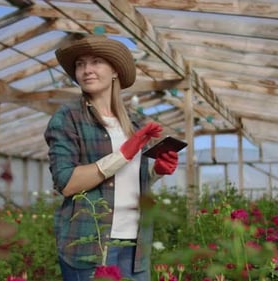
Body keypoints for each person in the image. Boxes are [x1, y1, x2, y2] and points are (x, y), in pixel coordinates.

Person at [44, 35, 179, 281]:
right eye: (80, 64)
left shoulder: (133, 121)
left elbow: (126, 181)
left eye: (96, 62)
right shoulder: (68, 118)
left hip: (135, 244)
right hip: (89, 244)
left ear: (115, 70)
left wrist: (155, 171)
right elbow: (66, 183)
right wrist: (124, 153)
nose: (87, 70)